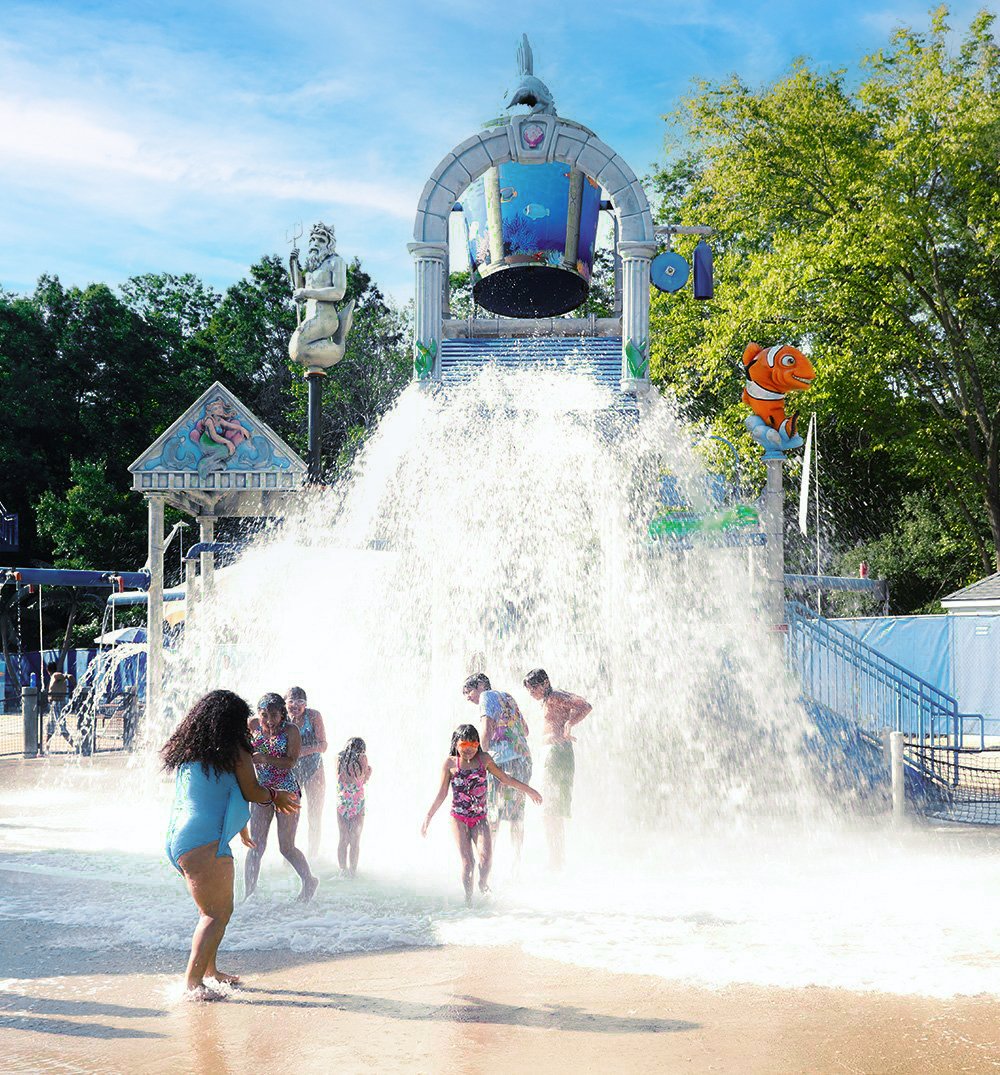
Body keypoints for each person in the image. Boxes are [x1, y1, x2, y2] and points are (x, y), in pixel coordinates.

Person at [162, 689, 300, 1001]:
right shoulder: (235, 749)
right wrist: (276, 796)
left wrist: (239, 828)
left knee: (213, 910)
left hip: (180, 839)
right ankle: (193, 983)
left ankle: (210, 972)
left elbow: (215, 794)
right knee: (216, 913)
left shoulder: (191, 750)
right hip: (203, 841)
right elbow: (251, 791)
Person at [422, 724, 541, 906]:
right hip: (459, 818)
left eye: (473, 747)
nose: (469, 751)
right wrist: (428, 817)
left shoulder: (484, 760)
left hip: (480, 819)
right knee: (468, 863)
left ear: (478, 745)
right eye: (464, 747)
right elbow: (442, 793)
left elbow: (505, 779)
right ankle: (469, 901)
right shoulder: (450, 764)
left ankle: (483, 885)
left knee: (486, 860)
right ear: (456, 745)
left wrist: (530, 790)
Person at [243, 693, 319, 902]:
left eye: (274, 715)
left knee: (286, 847)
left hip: (287, 791)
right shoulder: (253, 725)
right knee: (256, 844)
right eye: (264, 715)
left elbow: (292, 761)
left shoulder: (291, 730)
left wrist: (265, 758)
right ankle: (248, 894)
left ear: (282, 714)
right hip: (261, 791)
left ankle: (309, 881)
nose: (269, 720)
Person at [523, 668, 592, 869]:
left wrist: (570, 724)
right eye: (529, 690)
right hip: (555, 752)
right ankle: (556, 858)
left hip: (557, 752)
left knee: (551, 809)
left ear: (544, 683)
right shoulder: (550, 699)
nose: (531, 693)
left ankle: (556, 860)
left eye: (533, 688)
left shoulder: (554, 696)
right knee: (551, 809)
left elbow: (585, 705)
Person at [462, 673, 532, 866]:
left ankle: (488, 866)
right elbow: (525, 730)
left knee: (492, 815)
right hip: (523, 760)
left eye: (469, 692)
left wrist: (480, 759)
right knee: (516, 815)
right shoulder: (508, 697)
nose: (468, 697)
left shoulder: (486, 696)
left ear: (481, 686)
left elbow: (485, 729)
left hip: (502, 762)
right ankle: (516, 864)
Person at [286, 686, 329, 859]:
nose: (296, 706)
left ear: (306, 704)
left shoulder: (313, 716)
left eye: (300, 702)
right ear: (285, 703)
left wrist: (301, 751)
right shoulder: (280, 718)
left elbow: (323, 745)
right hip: (291, 771)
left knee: (314, 814)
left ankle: (312, 855)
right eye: (291, 702)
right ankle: (288, 854)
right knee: (290, 816)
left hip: (314, 768)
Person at [336, 737, 371, 877]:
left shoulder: (339, 758)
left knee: (343, 838)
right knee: (355, 840)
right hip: (357, 801)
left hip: (342, 801)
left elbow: (339, 778)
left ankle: (342, 870)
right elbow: (362, 780)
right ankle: (353, 872)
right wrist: (369, 771)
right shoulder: (362, 757)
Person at [45, 662, 73, 752]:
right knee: (50, 728)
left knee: (62, 728)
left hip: (58, 704)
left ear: (47, 670)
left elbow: (69, 676)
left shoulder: (56, 675)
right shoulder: (53, 677)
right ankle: (46, 749)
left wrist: (76, 686)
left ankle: (76, 746)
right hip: (54, 705)